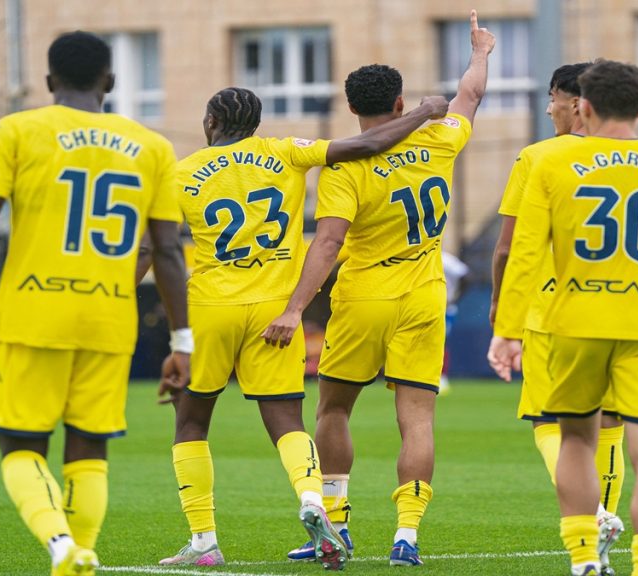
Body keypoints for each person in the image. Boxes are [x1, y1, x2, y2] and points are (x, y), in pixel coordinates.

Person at [157, 87, 448, 570]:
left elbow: (158, 247)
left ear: (210, 123)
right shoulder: (287, 152)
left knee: (190, 422)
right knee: (287, 423)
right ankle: (314, 501)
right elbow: (367, 144)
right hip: (275, 310)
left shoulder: (181, 173)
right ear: (255, 124)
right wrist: (424, 113)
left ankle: (203, 541)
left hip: (210, 306)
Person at [263, 10, 494, 567]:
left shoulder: (344, 168)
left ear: (351, 108)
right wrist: (480, 52)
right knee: (416, 419)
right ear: (400, 102)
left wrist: (295, 309)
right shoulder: (439, 139)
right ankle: (407, 535)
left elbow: (327, 243)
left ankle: (336, 524)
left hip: (364, 295)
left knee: (333, 410)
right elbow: (469, 95)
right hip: (423, 292)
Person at [0, 31, 191, 576]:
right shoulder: (153, 147)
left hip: (33, 313)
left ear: (48, 81)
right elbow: (166, 251)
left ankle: (61, 546)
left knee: (21, 446)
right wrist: (182, 340)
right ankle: (80, 552)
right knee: (90, 449)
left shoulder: (16, 130)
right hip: (109, 318)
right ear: (110, 80)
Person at [488, 60, 638, 576]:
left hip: (574, 322)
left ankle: (584, 560)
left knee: (575, 439)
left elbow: (523, 252)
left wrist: (507, 329)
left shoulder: (550, 163)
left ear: (586, 107)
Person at [487, 62, 626, 574]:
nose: (549, 110)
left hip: (552, 308)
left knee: (553, 423)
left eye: (551, 99)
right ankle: (603, 544)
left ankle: (596, 519)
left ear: (575, 102)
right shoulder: (636, 158)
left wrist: (500, 304)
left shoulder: (538, 157)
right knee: (609, 425)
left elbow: (507, 247)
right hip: (617, 306)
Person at [439, 250, 469, 391]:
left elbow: (466, 276)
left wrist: (455, 297)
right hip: (423, 304)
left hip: (445, 307)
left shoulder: (445, 259)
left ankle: (441, 376)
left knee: (440, 341)